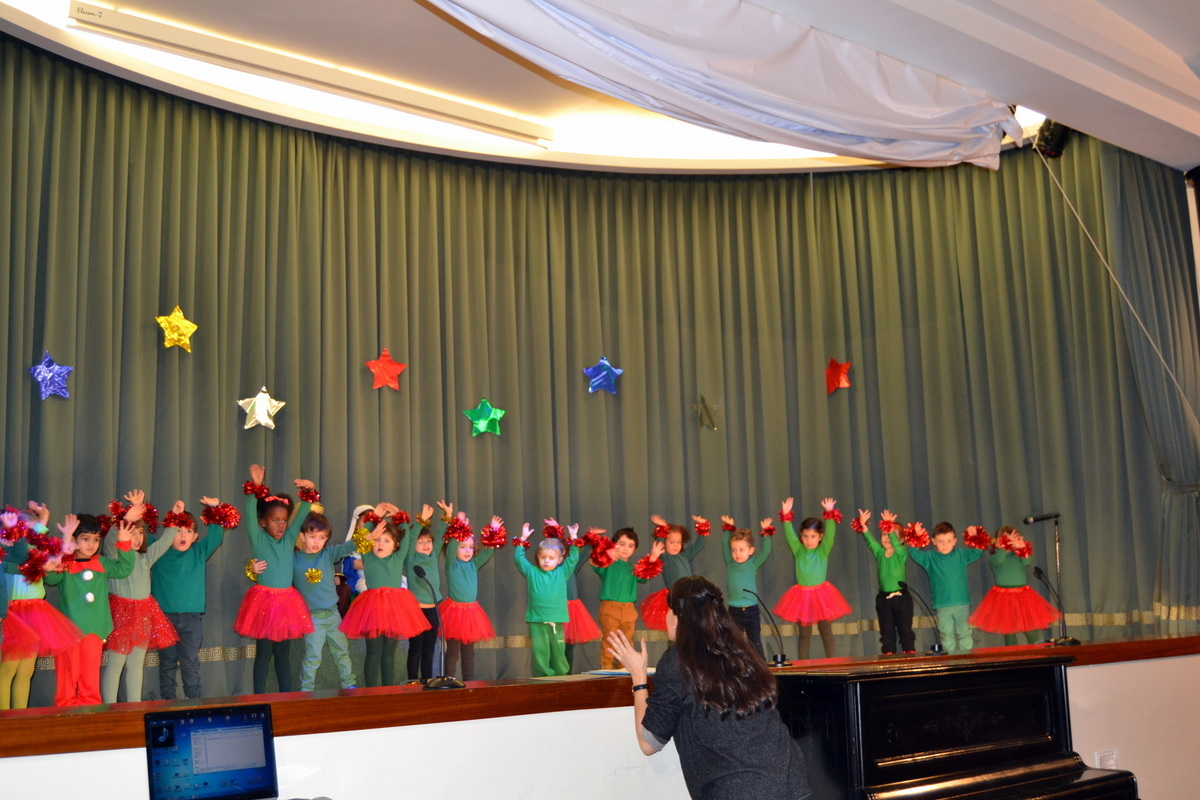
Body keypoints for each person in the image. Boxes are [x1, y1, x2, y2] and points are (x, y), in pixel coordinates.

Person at [606, 575, 812, 800]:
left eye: (668, 610)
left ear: (678, 616)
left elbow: (648, 742)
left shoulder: (678, 661)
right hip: (792, 784)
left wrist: (638, 677)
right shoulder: (744, 652)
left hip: (740, 792)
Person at [234, 464, 319, 693]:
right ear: (263, 522)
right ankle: (259, 698)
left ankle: (286, 696)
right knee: (263, 654)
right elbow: (250, 512)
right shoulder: (258, 538)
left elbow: (302, 513)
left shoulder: (289, 538)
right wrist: (255, 488)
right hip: (264, 602)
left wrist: (310, 491)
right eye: (275, 520)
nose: (281, 525)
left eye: (283, 520)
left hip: (286, 603)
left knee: (283, 654)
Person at [44, 514, 135, 706]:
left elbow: (124, 569)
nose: (92, 544)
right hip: (68, 631)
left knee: (90, 677)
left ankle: (91, 712)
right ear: (74, 539)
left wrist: (125, 543)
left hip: (95, 629)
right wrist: (62, 550)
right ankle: (66, 711)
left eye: (96, 540)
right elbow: (50, 579)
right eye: (86, 539)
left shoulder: (101, 562)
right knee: (67, 676)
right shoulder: (65, 563)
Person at [152, 495, 236, 700]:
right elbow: (142, 535)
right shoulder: (159, 551)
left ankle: (194, 702)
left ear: (195, 536)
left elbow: (216, 536)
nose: (183, 535)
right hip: (164, 619)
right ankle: (168, 704)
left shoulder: (199, 551)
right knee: (167, 663)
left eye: (188, 531)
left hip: (191, 619)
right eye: (178, 530)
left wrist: (215, 508)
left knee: (190, 663)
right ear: (169, 532)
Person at [101, 490, 179, 703]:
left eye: (140, 533)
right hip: (121, 614)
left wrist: (175, 517)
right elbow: (110, 540)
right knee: (116, 663)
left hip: (143, 614)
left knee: (136, 664)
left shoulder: (146, 557)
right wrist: (127, 519)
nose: (137, 538)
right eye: (132, 533)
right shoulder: (114, 555)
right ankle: (110, 708)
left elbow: (164, 543)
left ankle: (134, 707)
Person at [339, 507, 430, 687]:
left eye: (386, 540)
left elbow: (407, 538)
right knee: (373, 653)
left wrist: (400, 517)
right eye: (377, 540)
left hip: (393, 610)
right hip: (372, 609)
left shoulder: (398, 557)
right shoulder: (368, 557)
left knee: (388, 654)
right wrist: (374, 518)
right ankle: (371, 693)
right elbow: (361, 537)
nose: (380, 544)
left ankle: (389, 691)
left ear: (395, 545)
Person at [1, 507, 81, 709]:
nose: (30, 536)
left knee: (26, 671)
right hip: (14, 615)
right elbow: (23, 558)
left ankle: (20, 717)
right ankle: (5, 719)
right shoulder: (9, 554)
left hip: (36, 612)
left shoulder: (35, 551)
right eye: (25, 531)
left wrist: (66, 538)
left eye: (32, 532)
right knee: (8, 670)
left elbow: (52, 561)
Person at [773, 497, 853, 659]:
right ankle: (803, 664)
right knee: (804, 634)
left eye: (813, 536)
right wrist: (786, 517)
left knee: (826, 632)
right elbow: (789, 536)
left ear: (820, 537)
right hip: (802, 596)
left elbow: (831, 535)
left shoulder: (823, 551)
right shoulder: (798, 550)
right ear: (801, 536)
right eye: (805, 536)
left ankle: (832, 662)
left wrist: (830, 514)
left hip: (821, 596)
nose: (809, 540)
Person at [293, 511, 363, 691]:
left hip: (333, 615)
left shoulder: (328, 554)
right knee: (313, 656)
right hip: (312, 618)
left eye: (322, 538)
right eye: (312, 537)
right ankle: (306, 690)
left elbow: (349, 546)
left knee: (342, 651)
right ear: (302, 536)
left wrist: (371, 522)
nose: (317, 542)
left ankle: (348, 683)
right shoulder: (294, 560)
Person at [970, 526, 1061, 645]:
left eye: (1014, 538)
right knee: (1009, 631)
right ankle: (1013, 653)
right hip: (1003, 597)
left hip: (1023, 596)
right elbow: (999, 560)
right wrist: (1003, 548)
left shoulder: (1018, 555)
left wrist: (1022, 548)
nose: (1011, 541)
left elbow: (1027, 562)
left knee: (1031, 629)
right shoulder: (994, 557)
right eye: (1007, 539)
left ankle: (1037, 652)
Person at [440, 513, 503, 681]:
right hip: (454, 614)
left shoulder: (474, 564)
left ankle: (469, 683)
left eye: (470, 547)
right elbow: (451, 548)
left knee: (468, 653)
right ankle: (448, 681)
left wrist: (494, 530)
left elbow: (489, 551)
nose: (467, 550)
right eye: (463, 547)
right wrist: (460, 527)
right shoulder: (451, 564)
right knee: (452, 653)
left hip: (470, 614)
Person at [512, 521, 580, 677]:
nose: (547, 561)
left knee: (558, 651)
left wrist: (574, 538)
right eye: (543, 557)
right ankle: (542, 677)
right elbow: (519, 559)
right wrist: (522, 539)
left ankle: (561, 676)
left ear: (560, 559)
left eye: (551, 558)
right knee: (540, 652)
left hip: (556, 619)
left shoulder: (562, 572)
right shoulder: (532, 572)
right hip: (537, 620)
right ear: (538, 557)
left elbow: (573, 559)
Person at [907, 521, 987, 654]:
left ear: (955, 541)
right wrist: (915, 535)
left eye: (949, 541)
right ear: (933, 541)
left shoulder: (961, 555)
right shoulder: (930, 558)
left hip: (961, 602)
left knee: (964, 632)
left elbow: (977, 552)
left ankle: (966, 659)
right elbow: (914, 553)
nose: (945, 545)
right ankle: (950, 660)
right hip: (942, 604)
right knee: (946, 634)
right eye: (941, 541)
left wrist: (975, 536)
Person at [593, 526, 661, 670]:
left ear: (634, 550)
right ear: (614, 545)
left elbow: (645, 575)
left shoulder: (633, 568)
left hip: (629, 609)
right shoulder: (608, 564)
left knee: (627, 642)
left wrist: (653, 557)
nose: (625, 549)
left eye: (630, 546)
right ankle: (606, 669)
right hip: (610, 608)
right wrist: (604, 551)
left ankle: (624, 670)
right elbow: (594, 561)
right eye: (622, 544)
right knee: (610, 641)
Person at [854, 508, 915, 654]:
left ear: (901, 540)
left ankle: (909, 654)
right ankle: (888, 655)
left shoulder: (901, 553)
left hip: (901, 598)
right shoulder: (880, 553)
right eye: (884, 534)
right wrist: (863, 526)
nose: (887, 537)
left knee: (905, 630)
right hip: (884, 599)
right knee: (887, 632)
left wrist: (889, 527)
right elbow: (871, 542)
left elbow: (896, 543)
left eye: (891, 535)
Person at [639, 514, 710, 631]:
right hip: (675, 596)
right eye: (672, 542)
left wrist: (702, 525)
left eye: (679, 542)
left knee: (691, 624)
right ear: (665, 543)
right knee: (677, 625)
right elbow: (659, 544)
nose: (676, 545)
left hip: (689, 595)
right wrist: (662, 527)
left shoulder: (684, 556)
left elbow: (699, 544)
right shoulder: (665, 557)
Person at [720, 515, 773, 658]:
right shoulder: (730, 563)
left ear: (751, 550)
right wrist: (728, 529)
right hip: (734, 610)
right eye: (734, 550)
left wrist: (766, 533)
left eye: (741, 549)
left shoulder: (753, 563)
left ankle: (761, 665)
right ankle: (736, 666)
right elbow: (724, 545)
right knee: (734, 642)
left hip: (751, 610)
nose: (737, 554)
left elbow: (766, 551)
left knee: (755, 641)